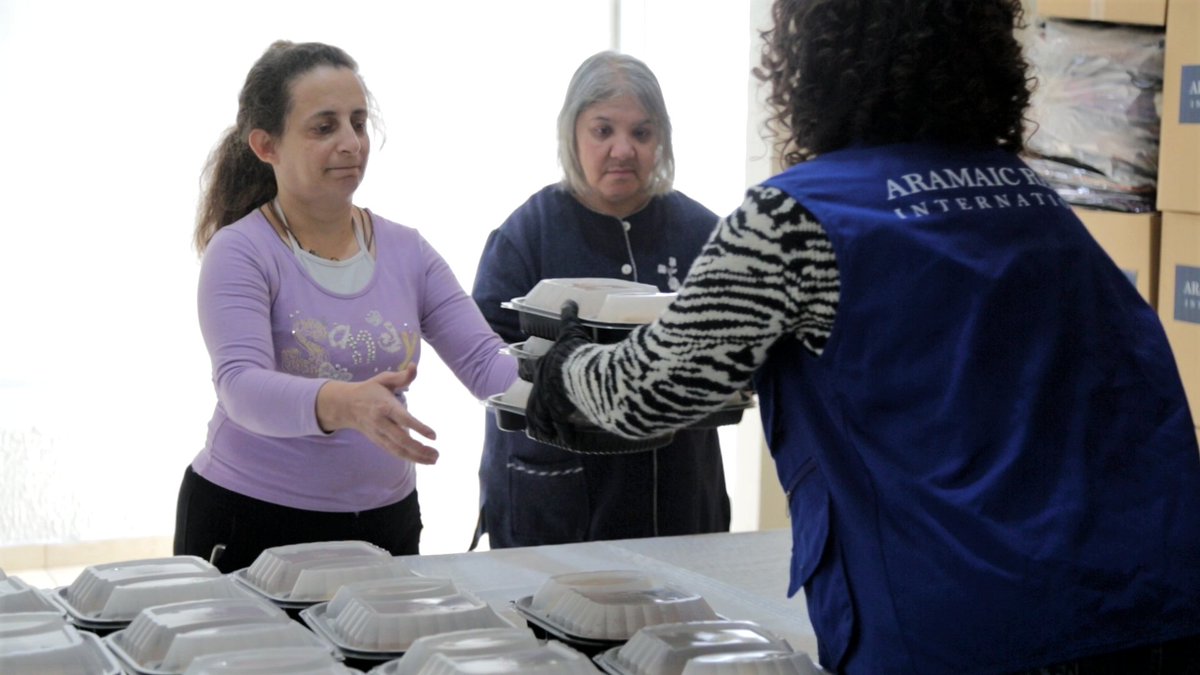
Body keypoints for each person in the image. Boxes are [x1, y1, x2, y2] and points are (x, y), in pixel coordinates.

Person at [525, 2, 1200, 673]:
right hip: (1146, 604)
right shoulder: (1036, 200)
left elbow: (648, 390)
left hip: (963, 631)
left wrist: (557, 366)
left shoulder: (793, 218)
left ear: (811, 62)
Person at [175, 41, 517, 573]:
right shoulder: (241, 251)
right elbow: (241, 386)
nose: (351, 143)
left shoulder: (408, 250)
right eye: (324, 127)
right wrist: (345, 404)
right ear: (267, 146)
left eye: (358, 122)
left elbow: (485, 364)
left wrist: (582, 389)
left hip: (385, 523)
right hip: (252, 522)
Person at [470, 51, 730, 549]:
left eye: (642, 133)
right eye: (603, 130)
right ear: (572, 133)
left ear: (662, 140)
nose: (623, 149)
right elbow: (483, 352)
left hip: (678, 493)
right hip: (556, 491)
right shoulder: (529, 231)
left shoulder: (704, 234)